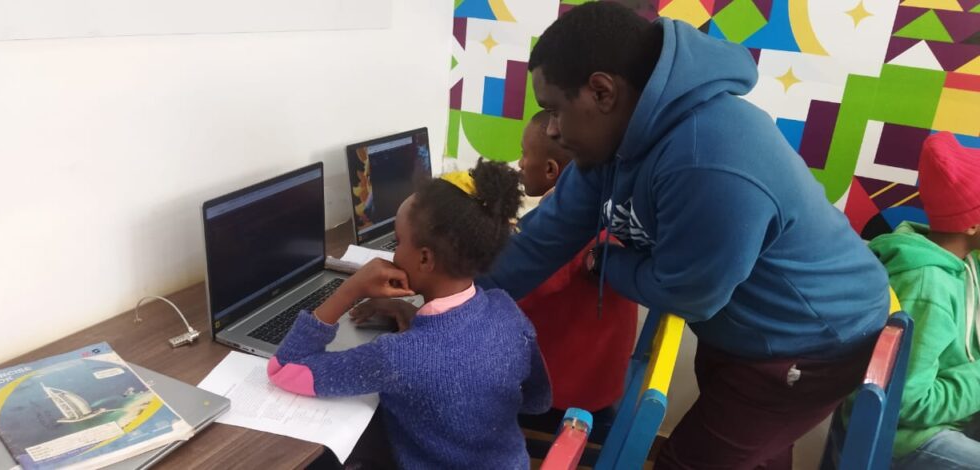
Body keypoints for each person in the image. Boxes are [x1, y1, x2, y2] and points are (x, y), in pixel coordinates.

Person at [477, 3, 891, 468]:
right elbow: (540, 240)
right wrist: (443, 300)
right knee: (756, 453)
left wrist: (609, 263)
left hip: (811, 340)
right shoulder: (611, 143)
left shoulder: (708, 156)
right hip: (749, 330)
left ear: (601, 91)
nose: (551, 128)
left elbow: (690, 294)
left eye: (555, 110)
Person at [268, 160, 551, 469]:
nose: (393, 252)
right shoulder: (505, 310)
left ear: (425, 258)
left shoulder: (399, 357)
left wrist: (349, 290)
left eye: (398, 241)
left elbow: (284, 369)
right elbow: (538, 401)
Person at [515, 110, 638, 442]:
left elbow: (516, 295)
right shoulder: (609, 218)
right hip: (601, 387)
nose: (519, 163)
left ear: (552, 170)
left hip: (568, 400)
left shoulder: (567, 236)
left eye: (524, 154)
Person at [867, 132, 980, 469]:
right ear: (971, 224)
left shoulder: (965, 263)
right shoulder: (927, 285)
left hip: (951, 412)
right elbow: (906, 403)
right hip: (905, 438)